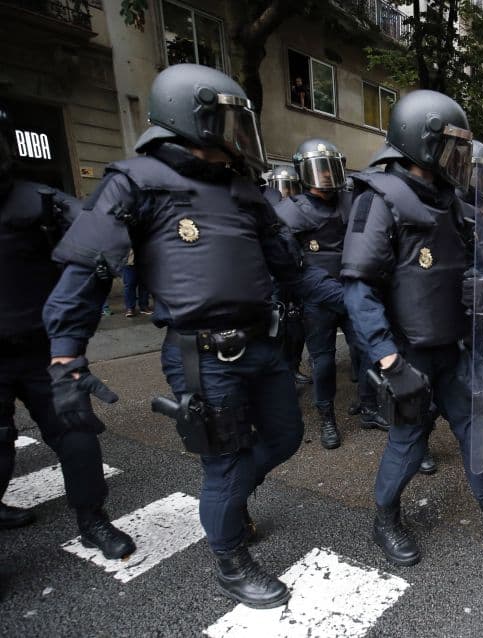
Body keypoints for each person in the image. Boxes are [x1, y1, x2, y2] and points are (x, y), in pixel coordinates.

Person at [43, 64, 357, 607]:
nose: (239, 134)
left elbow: (294, 270)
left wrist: (361, 305)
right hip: (203, 356)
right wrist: (66, 359)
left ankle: (228, 502)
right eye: (228, 121)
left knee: (284, 438)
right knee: (226, 464)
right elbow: (86, 272)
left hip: (263, 344)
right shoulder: (135, 182)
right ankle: (230, 558)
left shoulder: (244, 192)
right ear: (193, 120)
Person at [339, 89, 483, 566]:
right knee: (409, 443)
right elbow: (358, 287)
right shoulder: (379, 197)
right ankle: (385, 520)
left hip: (453, 347)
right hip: (407, 352)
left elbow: (471, 256)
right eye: (452, 147)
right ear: (422, 142)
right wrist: (388, 361)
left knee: (477, 429)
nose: (460, 159)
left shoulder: (449, 200)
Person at [0, 106, 133, 556]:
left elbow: (95, 243)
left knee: (76, 433)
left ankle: (93, 519)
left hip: (46, 351)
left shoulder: (39, 200)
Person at [274, 138, 358, 450]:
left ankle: (370, 405)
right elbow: (289, 265)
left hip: (351, 290)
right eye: (318, 169)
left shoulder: (350, 202)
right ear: (304, 173)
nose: (326, 175)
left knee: (363, 349)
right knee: (323, 361)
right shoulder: (291, 212)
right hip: (317, 300)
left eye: (330, 167)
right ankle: (326, 417)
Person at [122, 249, 152, 317]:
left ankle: (144, 306)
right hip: (129, 262)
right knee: (129, 284)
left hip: (144, 260)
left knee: (144, 284)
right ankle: (130, 308)